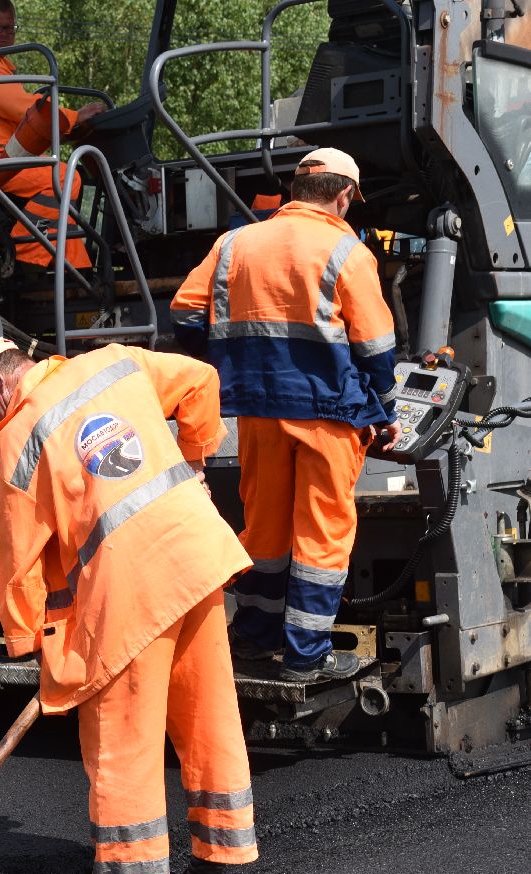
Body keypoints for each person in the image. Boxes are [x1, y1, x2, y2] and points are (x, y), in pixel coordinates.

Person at [0, 335, 258, 874]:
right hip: (196, 555)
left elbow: (18, 562)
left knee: (121, 733)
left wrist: (25, 643)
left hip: (129, 589)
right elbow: (200, 380)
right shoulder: (115, 361)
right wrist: (194, 461)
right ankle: (211, 872)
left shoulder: (18, 443)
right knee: (208, 718)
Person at [170, 148, 400, 682]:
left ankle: (252, 639)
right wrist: (386, 408)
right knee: (322, 536)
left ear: (297, 191)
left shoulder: (233, 244)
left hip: (255, 411)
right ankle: (304, 657)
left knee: (265, 528)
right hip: (330, 413)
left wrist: (218, 365)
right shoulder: (347, 250)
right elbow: (376, 346)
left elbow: (184, 309)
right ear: (345, 196)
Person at [0, 0, 105, 269]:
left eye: (9, 29)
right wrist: (76, 117)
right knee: (63, 177)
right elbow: (22, 109)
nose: (3, 34)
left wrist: (66, 129)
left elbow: (21, 113)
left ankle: (78, 268)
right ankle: (29, 256)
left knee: (63, 181)